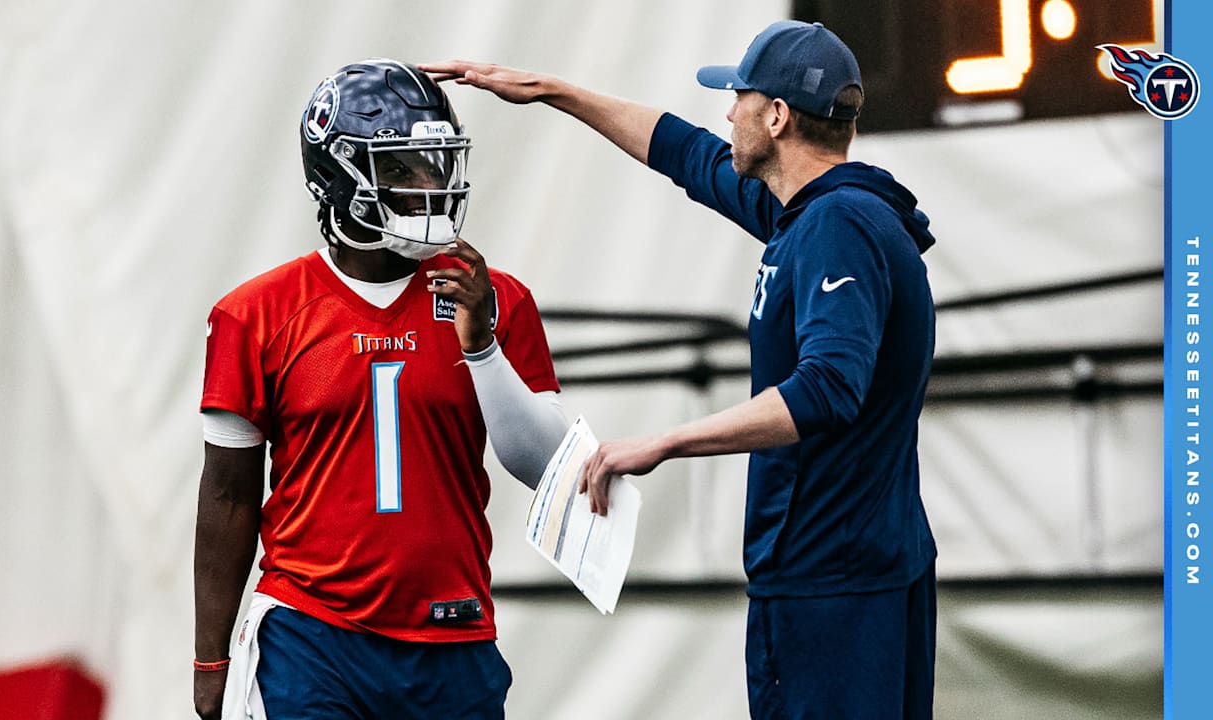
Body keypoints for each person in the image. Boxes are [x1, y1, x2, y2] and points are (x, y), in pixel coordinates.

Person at [423, 19, 938, 720]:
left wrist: (662, 442)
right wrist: (551, 91)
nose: (726, 112)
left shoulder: (837, 227)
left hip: (833, 582)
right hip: (859, 572)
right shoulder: (824, 213)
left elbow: (828, 388)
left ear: (777, 116)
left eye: (739, 97)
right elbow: (683, 153)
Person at [192, 58, 570, 720]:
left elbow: (550, 469)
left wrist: (480, 344)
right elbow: (227, 495)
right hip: (312, 634)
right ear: (336, 174)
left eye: (433, 162)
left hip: (453, 631)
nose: (428, 184)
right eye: (399, 168)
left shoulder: (496, 299)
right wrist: (210, 658)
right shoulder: (255, 313)